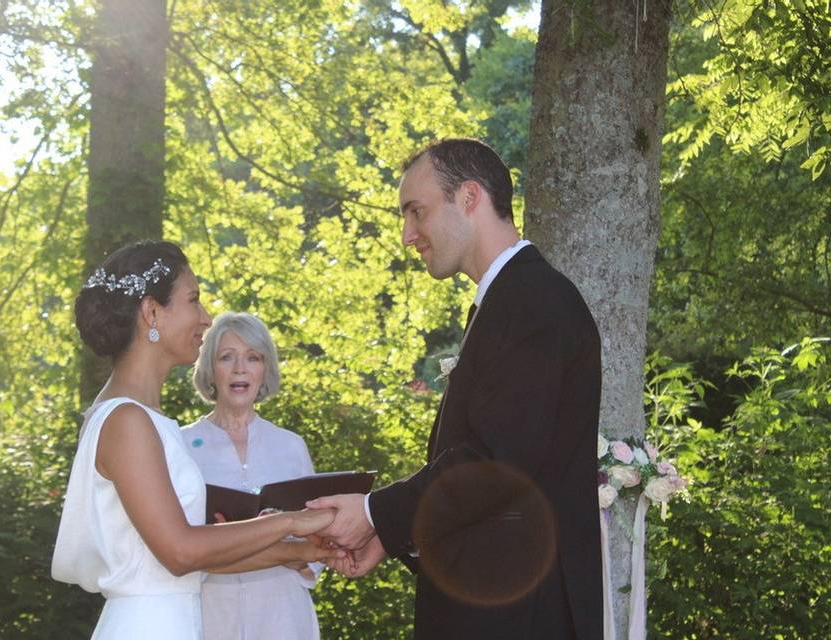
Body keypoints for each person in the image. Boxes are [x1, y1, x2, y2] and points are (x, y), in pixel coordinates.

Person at [308, 138, 604, 639]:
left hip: (521, 615)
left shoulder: (534, 301)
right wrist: (392, 534)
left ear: (469, 197)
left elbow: (496, 462)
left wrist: (374, 512)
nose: (408, 235)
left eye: (416, 212)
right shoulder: (508, 302)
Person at [51, 241, 338, 640]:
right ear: (152, 312)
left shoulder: (139, 418)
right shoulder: (127, 420)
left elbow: (185, 558)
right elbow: (181, 552)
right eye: (194, 300)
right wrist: (289, 522)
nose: (205, 318)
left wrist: (299, 550)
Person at [182, 311, 322, 640]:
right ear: (210, 370)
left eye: (253, 358)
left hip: (284, 619)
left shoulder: (291, 446)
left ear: (264, 370)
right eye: (227, 357)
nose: (240, 369)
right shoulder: (181, 445)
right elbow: (174, 547)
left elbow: (316, 546)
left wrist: (303, 558)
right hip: (210, 619)